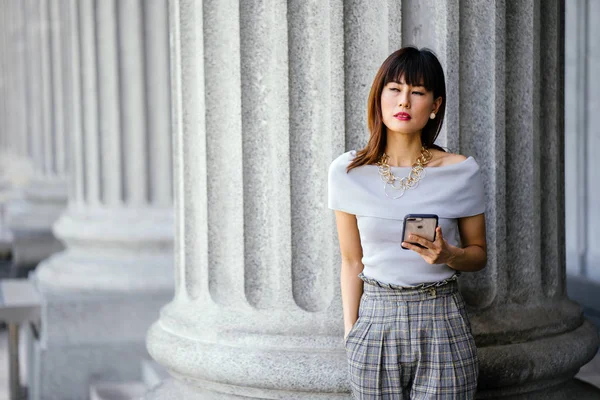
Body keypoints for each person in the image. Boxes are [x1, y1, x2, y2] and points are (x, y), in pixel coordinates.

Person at [328, 46, 487, 399]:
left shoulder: (460, 171)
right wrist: (351, 331)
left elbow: (478, 255)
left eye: (417, 93)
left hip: (442, 317)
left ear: (434, 106)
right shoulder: (348, 172)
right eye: (395, 89)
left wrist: (449, 255)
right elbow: (351, 260)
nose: (404, 102)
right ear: (379, 96)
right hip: (376, 318)